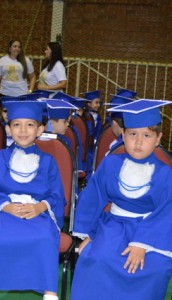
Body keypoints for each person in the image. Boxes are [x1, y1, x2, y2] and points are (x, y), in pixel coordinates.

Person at [71, 99, 172, 300]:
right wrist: (89, 233)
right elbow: (93, 197)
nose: (139, 141)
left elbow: (167, 211)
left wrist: (142, 243)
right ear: (123, 135)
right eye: (133, 134)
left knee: (156, 268)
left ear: (158, 138)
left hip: (151, 231)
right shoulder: (110, 164)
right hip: (113, 226)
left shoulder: (166, 174)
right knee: (97, 258)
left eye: (147, 135)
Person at [0, 100, 66, 300]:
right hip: (3, 211)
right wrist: (6, 206)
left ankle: (50, 293)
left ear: (39, 130)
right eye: (16, 125)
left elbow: (56, 194)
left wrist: (40, 207)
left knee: (45, 240)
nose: (23, 130)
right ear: (8, 129)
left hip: (37, 214)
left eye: (30, 125)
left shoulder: (48, 161)